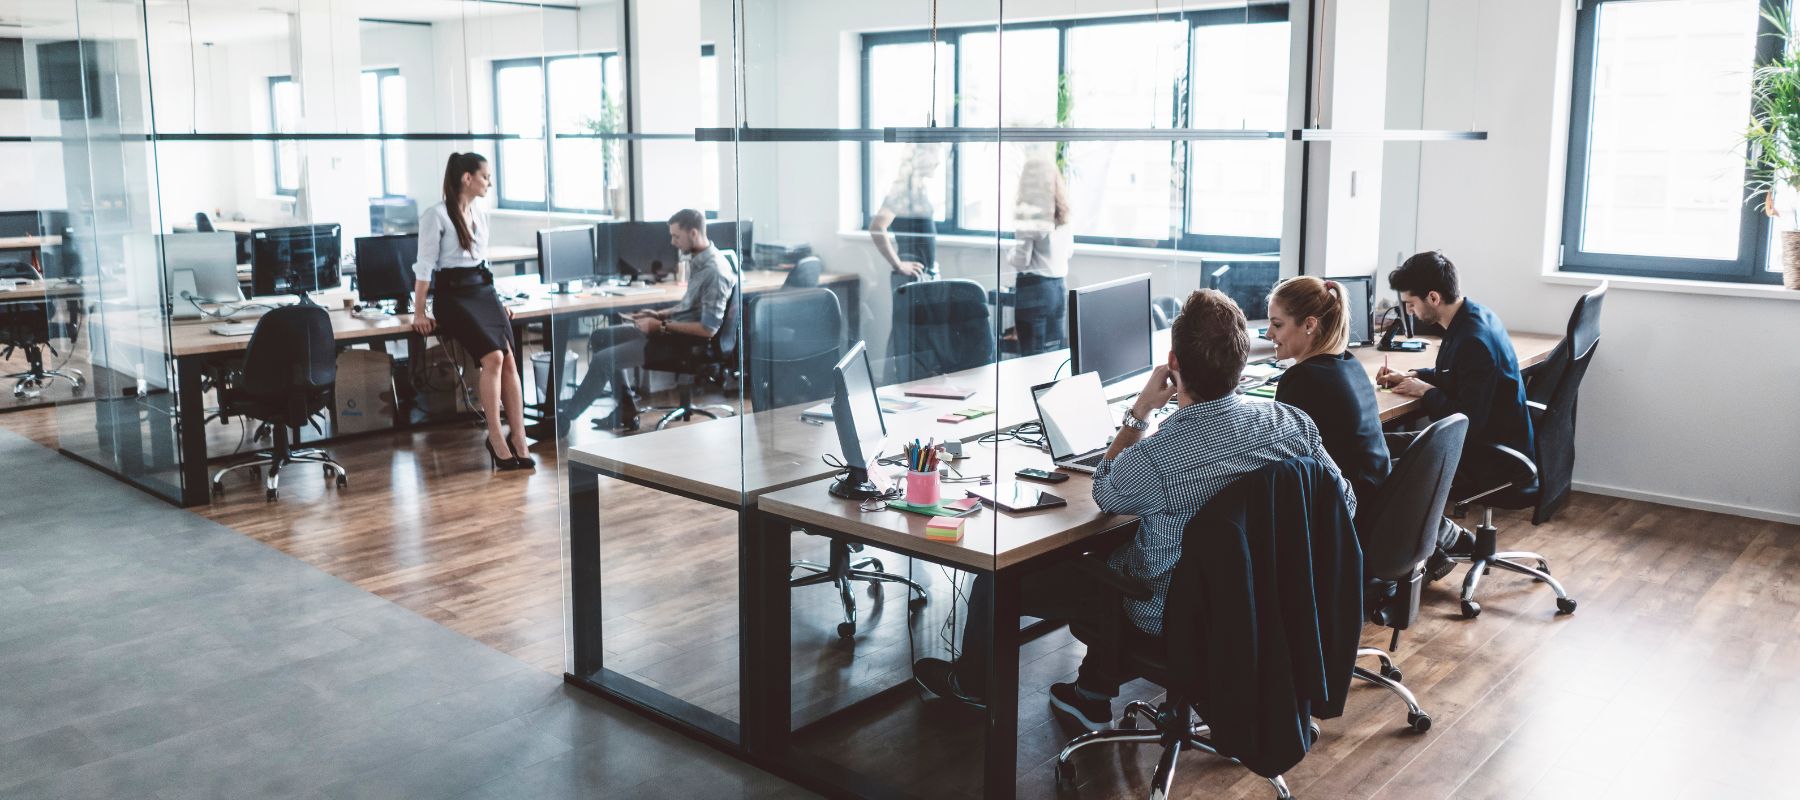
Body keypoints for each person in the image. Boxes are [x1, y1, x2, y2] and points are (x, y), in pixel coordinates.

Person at [912, 290, 1356, 730]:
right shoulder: (1292, 424)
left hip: (1171, 612)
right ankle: (1090, 694)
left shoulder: (1159, 456)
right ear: (1241, 364)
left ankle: (972, 684)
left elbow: (1105, 492)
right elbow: (1345, 504)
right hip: (1268, 601)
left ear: (1173, 364)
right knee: (1134, 545)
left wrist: (1140, 411)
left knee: (998, 580)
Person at [1374, 251, 1534, 578]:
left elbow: (1468, 423)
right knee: (1377, 445)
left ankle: (1432, 548)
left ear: (1433, 297)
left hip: (1489, 456)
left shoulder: (1474, 339)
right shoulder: (1472, 317)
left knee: (1384, 470)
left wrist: (1425, 392)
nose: (1409, 311)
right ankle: (1433, 547)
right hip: (1487, 442)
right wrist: (1416, 375)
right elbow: (1457, 374)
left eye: (1410, 303)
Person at [559, 208, 737, 434]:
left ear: (693, 234)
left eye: (676, 236)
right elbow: (689, 308)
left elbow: (708, 329)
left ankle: (563, 420)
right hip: (671, 332)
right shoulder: (700, 261)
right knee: (600, 336)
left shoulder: (714, 270)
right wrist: (659, 315)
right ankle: (626, 410)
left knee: (605, 360)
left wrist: (660, 326)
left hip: (684, 343)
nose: (672, 242)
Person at [410, 152, 532, 471]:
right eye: (485, 177)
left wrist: (498, 299)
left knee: (509, 360)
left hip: (483, 291)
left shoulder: (480, 213)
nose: (489, 183)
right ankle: (495, 437)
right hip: (453, 296)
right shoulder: (435, 215)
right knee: (492, 358)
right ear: (467, 178)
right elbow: (424, 268)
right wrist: (419, 312)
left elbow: (482, 262)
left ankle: (519, 437)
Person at [1267, 276, 1390, 514]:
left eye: (1278, 324)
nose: (1269, 333)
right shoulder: (1349, 363)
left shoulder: (1302, 379)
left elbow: (1281, 460)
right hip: (1378, 503)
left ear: (1309, 325)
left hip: (1346, 513)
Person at [1008, 158, 1073, 355]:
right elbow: (1069, 252)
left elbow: (1021, 260)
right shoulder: (1063, 214)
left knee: (1032, 355)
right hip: (1059, 288)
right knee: (1054, 353)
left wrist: (1009, 255)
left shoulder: (1030, 214)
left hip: (1034, 288)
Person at [868, 144, 943, 293]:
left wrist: (931, 265)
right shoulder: (903, 191)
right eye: (934, 154)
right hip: (911, 277)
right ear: (920, 158)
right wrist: (899, 265)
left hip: (924, 275)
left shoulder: (919, 190)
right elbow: (876, 227)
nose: (937, 161)